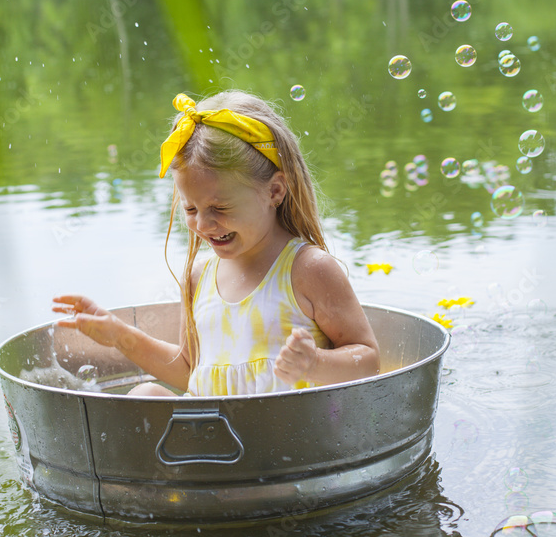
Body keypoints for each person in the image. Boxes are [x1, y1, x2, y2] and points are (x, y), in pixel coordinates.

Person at [53, 91, 379, 396]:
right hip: (214, 448)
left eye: (220, 208)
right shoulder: (199, 277)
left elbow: (368, 361)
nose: (204, 224)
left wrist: (314, 364)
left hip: (291, 442)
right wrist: (119, 336)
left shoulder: (306, 269)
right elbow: (188, 370)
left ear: (274, 191)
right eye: (190, 209)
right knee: (146, 394)